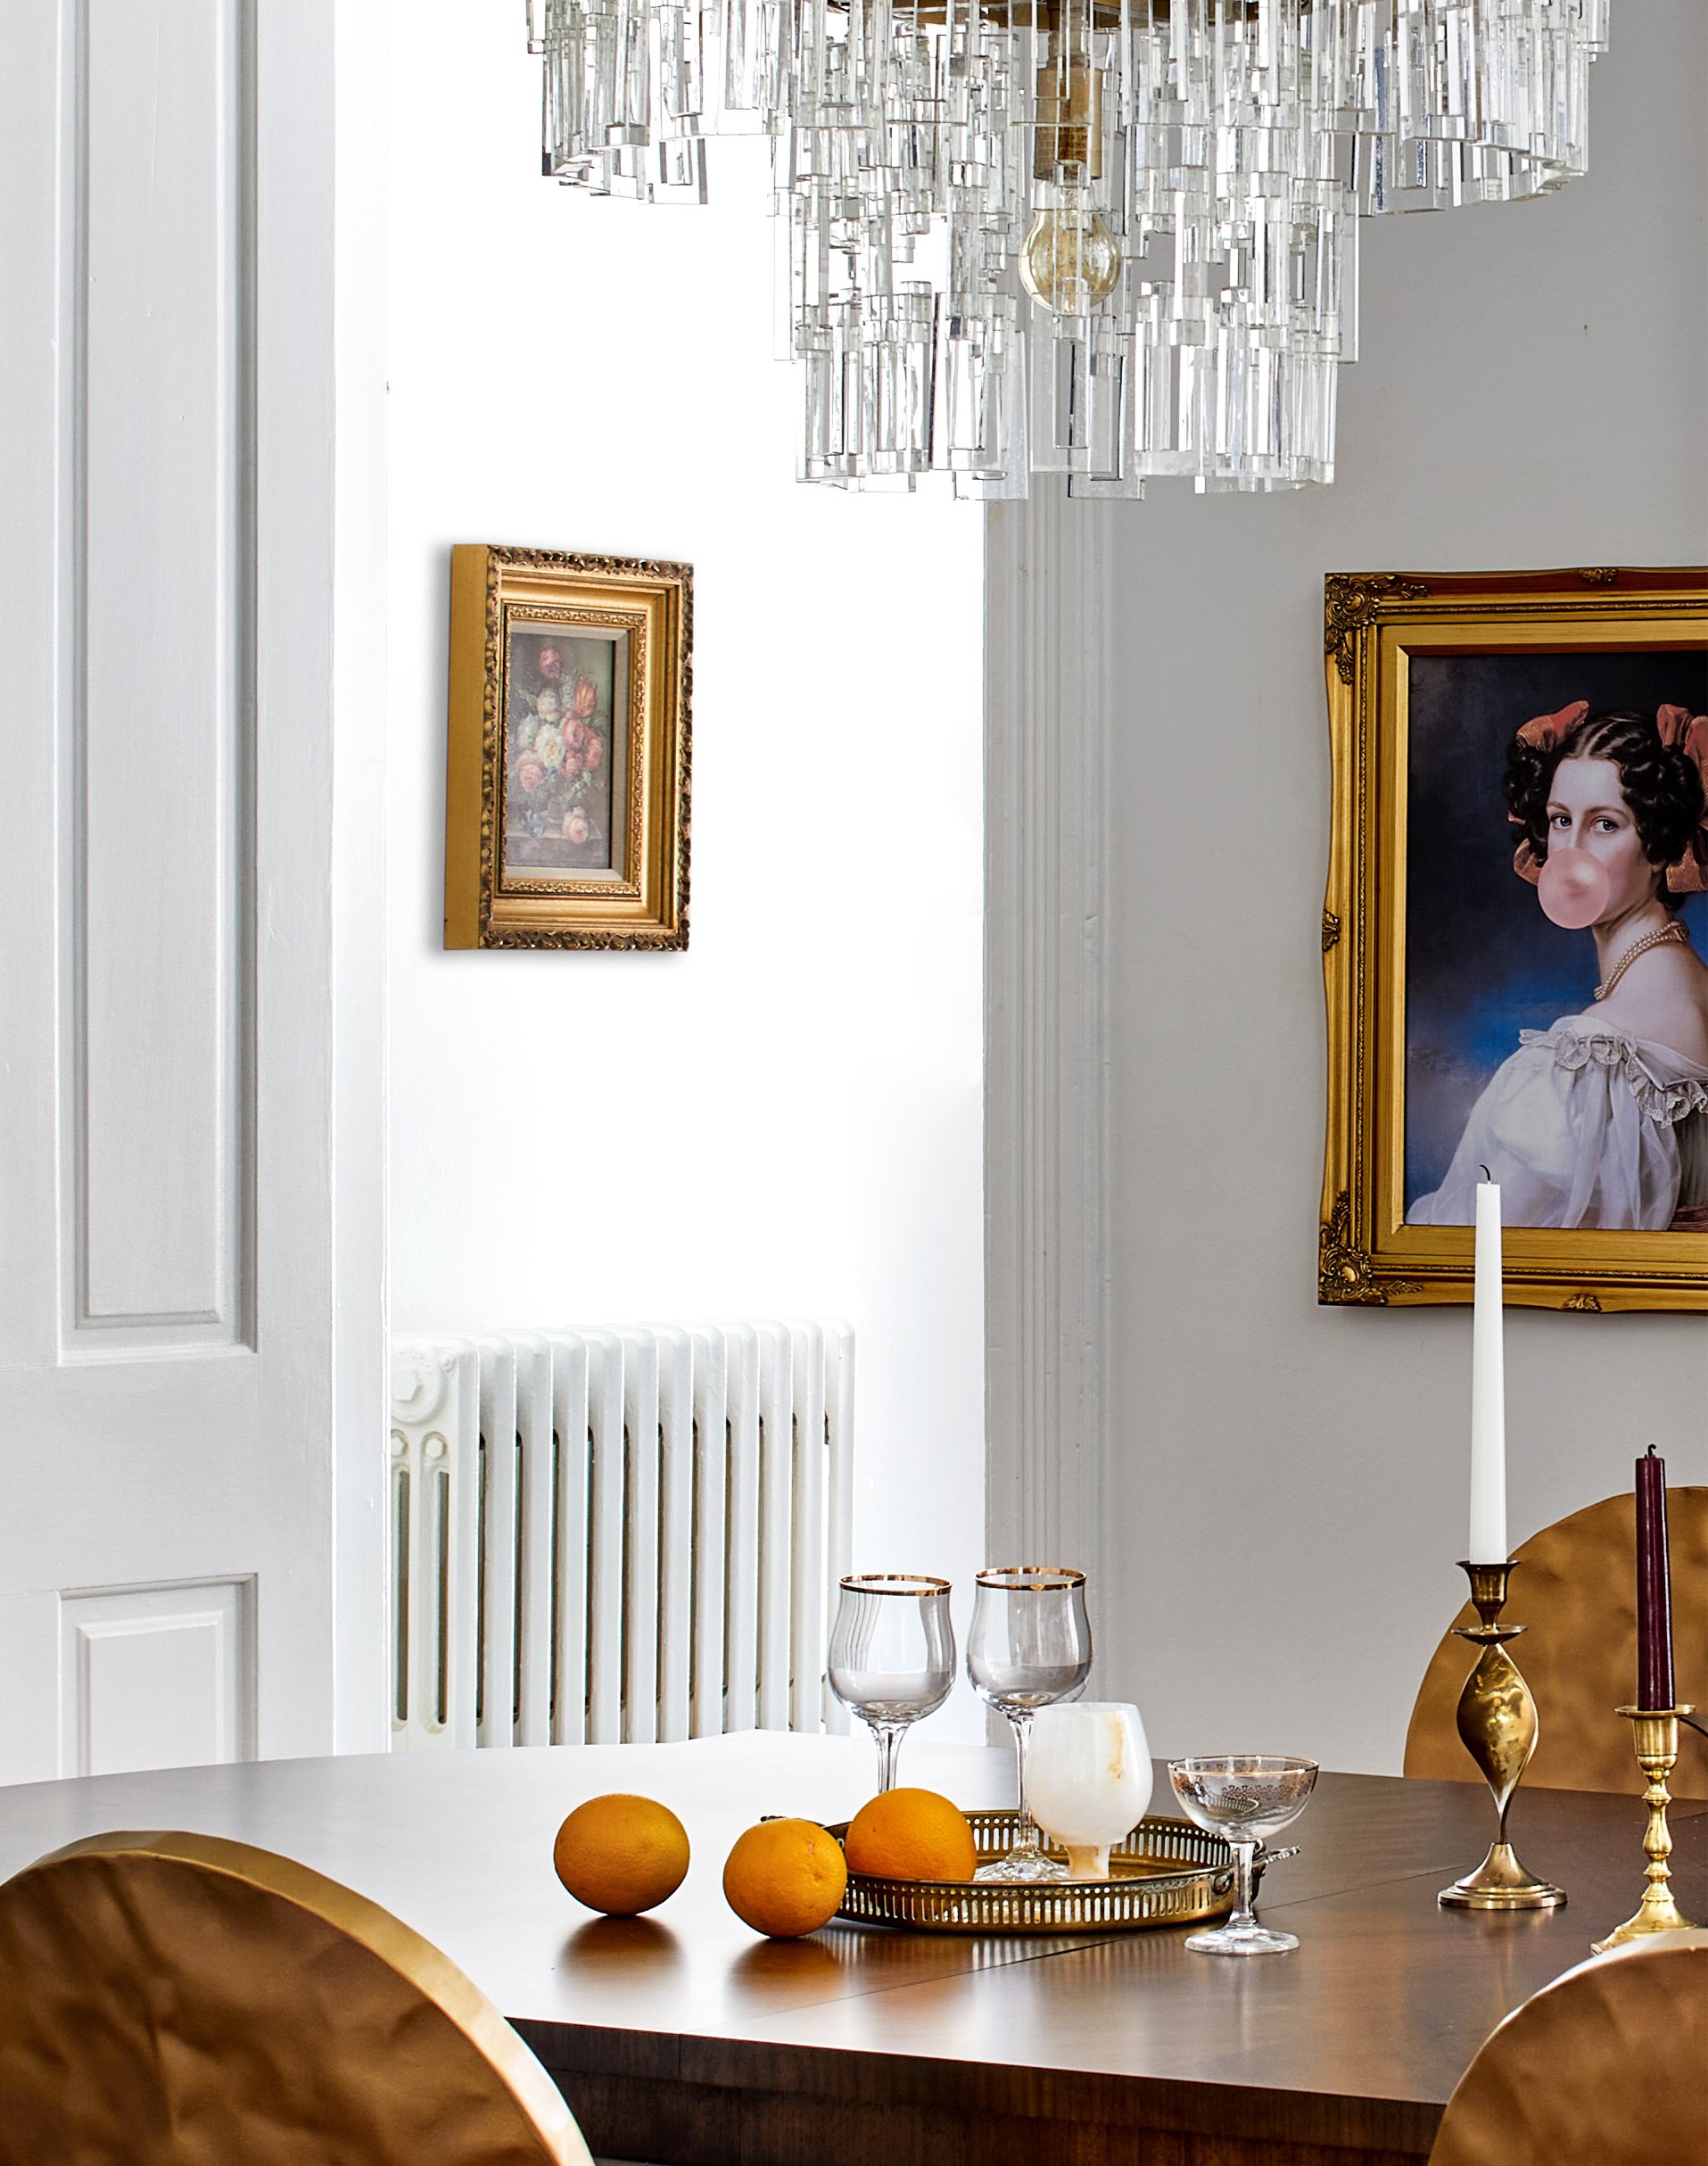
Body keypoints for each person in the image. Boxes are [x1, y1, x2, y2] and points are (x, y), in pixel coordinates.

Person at [1408, 703, 1708, 1230]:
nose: (1570, 852)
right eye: (1561, 820)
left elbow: (1463, 1240)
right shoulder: (1690, 985)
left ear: (1661, 846)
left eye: (1605, 825)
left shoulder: (1591, 1055)